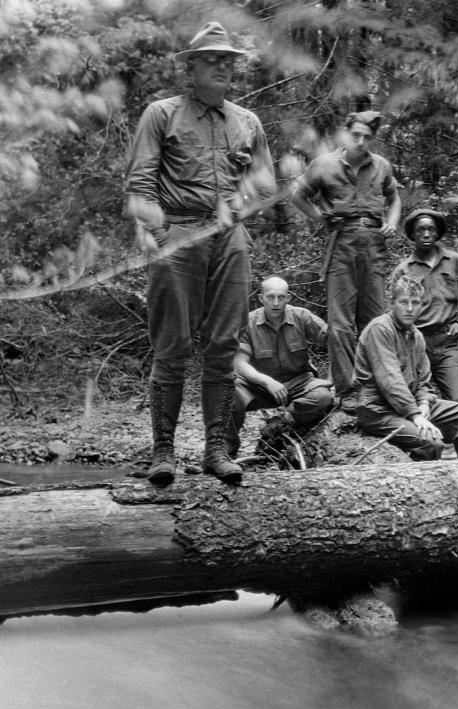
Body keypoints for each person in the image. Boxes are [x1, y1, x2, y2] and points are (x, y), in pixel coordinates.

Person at [124, 21, 276, 486]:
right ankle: (163, 453)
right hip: (178, 234)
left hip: (229, 239)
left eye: (228, 60)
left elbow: (266, 185)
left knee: (225, 346)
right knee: (172, 347)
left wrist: (246, 199)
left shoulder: (247, 121)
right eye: (212, 59)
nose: (223, 67)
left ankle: (216, 450)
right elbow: (140, 180)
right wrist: (150, 229)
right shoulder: (161, 114)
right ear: (190, 69)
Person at [291, 110, 402, 413]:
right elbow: (299, 195)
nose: (361, 141)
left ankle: (375, 387)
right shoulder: (324, 164)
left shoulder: (381, 166)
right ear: (346, 133)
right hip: (341, 242)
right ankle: (348, 390)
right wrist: (319, 219)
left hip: (375, 246)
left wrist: (392, 221)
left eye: (367, 137)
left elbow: (394, 198)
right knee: (341, 324)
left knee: (376, 320)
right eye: (356, 135)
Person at [354, 276, 458, 460]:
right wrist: (416, 415)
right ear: (392, 303)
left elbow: (423, 382)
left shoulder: (416, 336)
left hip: (410, 404)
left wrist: (423, 403)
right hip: (379, 410)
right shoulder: (380, 329)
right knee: (432, 441)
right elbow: (390, 381)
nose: (410, 308)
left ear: (422, 305)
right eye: (404, 302)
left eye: (416, 303)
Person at [227, 276, 335, 457]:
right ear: (261, 298)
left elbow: (336, 341)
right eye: (270, 297)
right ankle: (227, 451)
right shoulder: (248, 322)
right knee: (229, 391)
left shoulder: (302, 316)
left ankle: (279, 424)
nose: (276, 302)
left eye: (281, 297)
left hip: (299, 382)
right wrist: (267, 381)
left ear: (289, 298)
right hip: (260, 387)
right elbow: (240, 364)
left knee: (323, 397)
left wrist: (332, 379)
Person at [389, 208, 458, 402]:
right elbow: (395, 311)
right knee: (412, 400)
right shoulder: (403, 270)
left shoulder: (454, 261)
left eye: (431, 229)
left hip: (448, 343)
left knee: (457, 400)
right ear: (412, 234)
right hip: (416, 344)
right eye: (420, 230)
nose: (426, 234)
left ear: (437, 232)